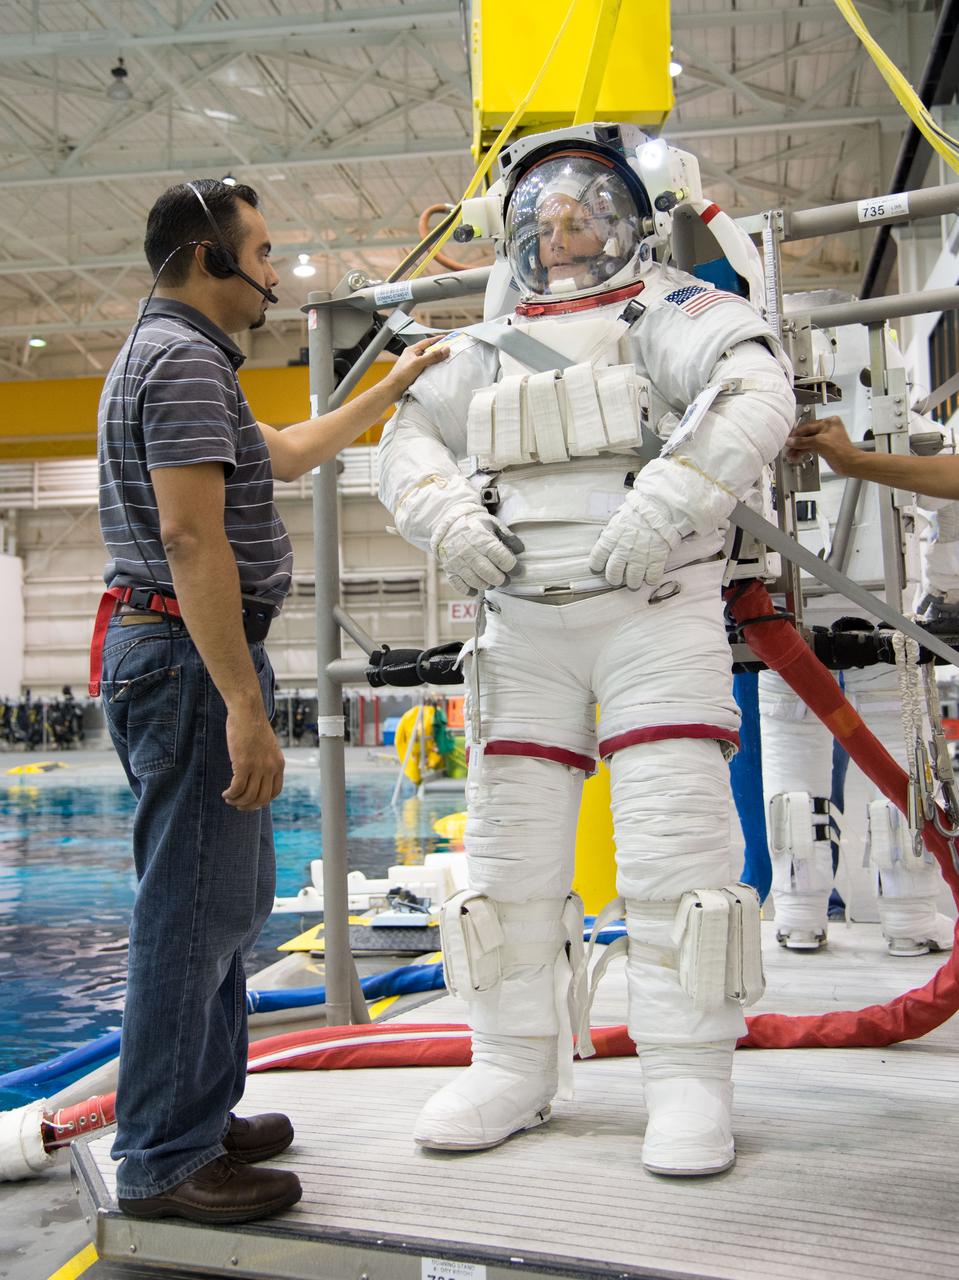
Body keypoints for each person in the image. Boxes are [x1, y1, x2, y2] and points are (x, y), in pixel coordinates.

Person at [377, 124, 795, 1176]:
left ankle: (688, 1078)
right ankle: (510, 1064)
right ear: (517, 234)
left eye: (582, 217)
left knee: (672, 853)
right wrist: (446, 518)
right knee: (507, 863)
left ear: (624, 223)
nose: (561, 236)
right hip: (520, 623)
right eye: (544, 220)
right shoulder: (481, 344)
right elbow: (402, 438)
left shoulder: (673, 311)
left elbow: (757, 389)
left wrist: (668, 501)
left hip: (652, 605)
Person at [93, 177, 445, 1224]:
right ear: (209, 260)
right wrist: (242, 705)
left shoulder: (182, 355)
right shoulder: (181, 362)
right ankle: (163, 1157)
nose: (274, 276)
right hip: (187, 656)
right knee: (190, 910)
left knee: (225, 904)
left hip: (180, 651)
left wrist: (392, 383)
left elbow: (283, 452)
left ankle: (198, 1114)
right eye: (262, 255)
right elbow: (189, 537)